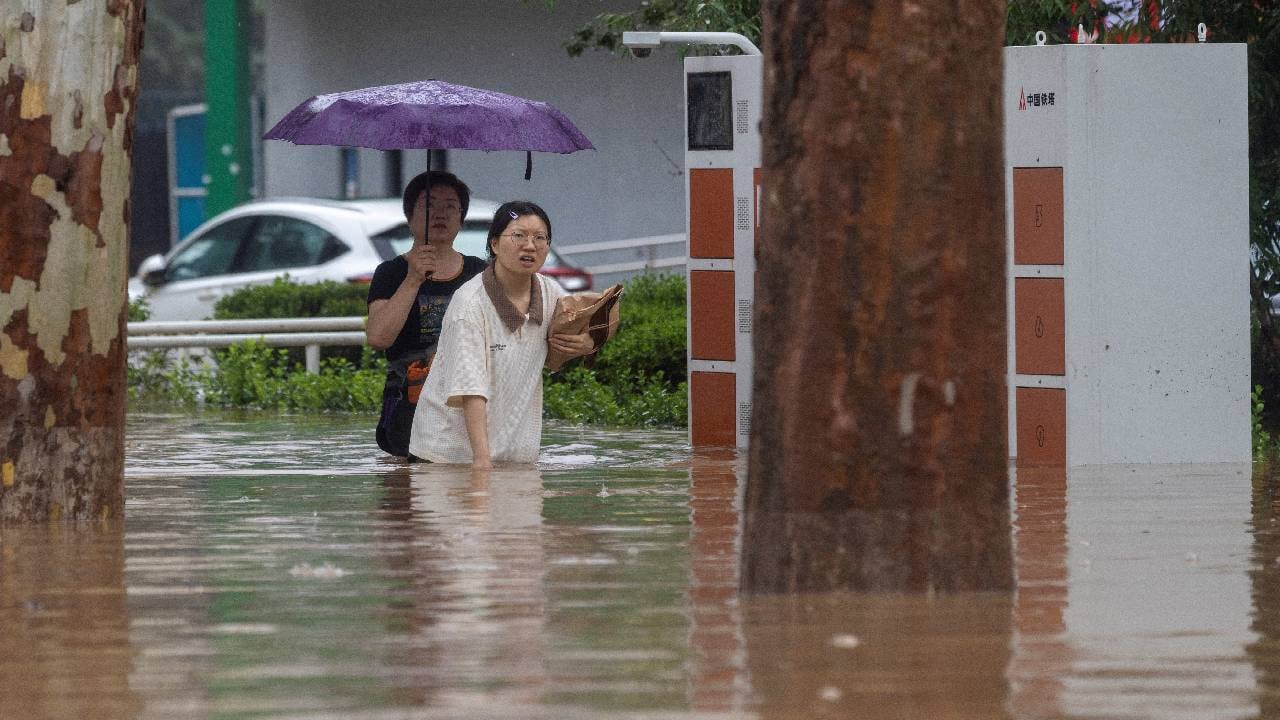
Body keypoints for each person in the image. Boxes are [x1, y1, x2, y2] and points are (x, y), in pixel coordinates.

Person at [407, 201, 595, 468]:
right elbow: (471, 391)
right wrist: (482, 464)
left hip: (512, 454)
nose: (530, 246)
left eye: (539, 238)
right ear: (494, 244)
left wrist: (587, 343)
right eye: (518, 235)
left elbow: (584, 324)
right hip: (447, 456)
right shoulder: (470, 304)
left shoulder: (550, 292)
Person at [366, 171, 488, 457]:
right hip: (408, 405)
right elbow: (378, 338)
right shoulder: (390, 272)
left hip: (465, 402)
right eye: (429, 205)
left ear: (461, 219)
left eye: (450, 206)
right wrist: (413, 279)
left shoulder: (480, 273)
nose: (440, 213)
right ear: (410, 217)